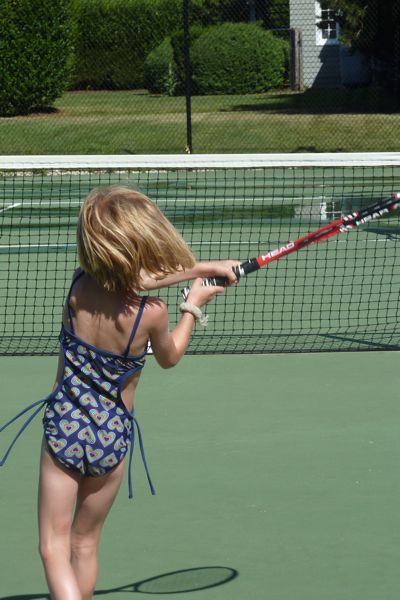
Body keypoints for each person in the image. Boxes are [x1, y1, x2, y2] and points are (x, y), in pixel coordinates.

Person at [0, 186, 238, 600]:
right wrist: (193, 303)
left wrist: (201, 269)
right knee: (84, 544)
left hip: (64, 428)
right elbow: (169, 357)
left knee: (53, 546)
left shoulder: (78, 286)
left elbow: (135, 277)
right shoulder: (152, 313)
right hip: (112, 435)